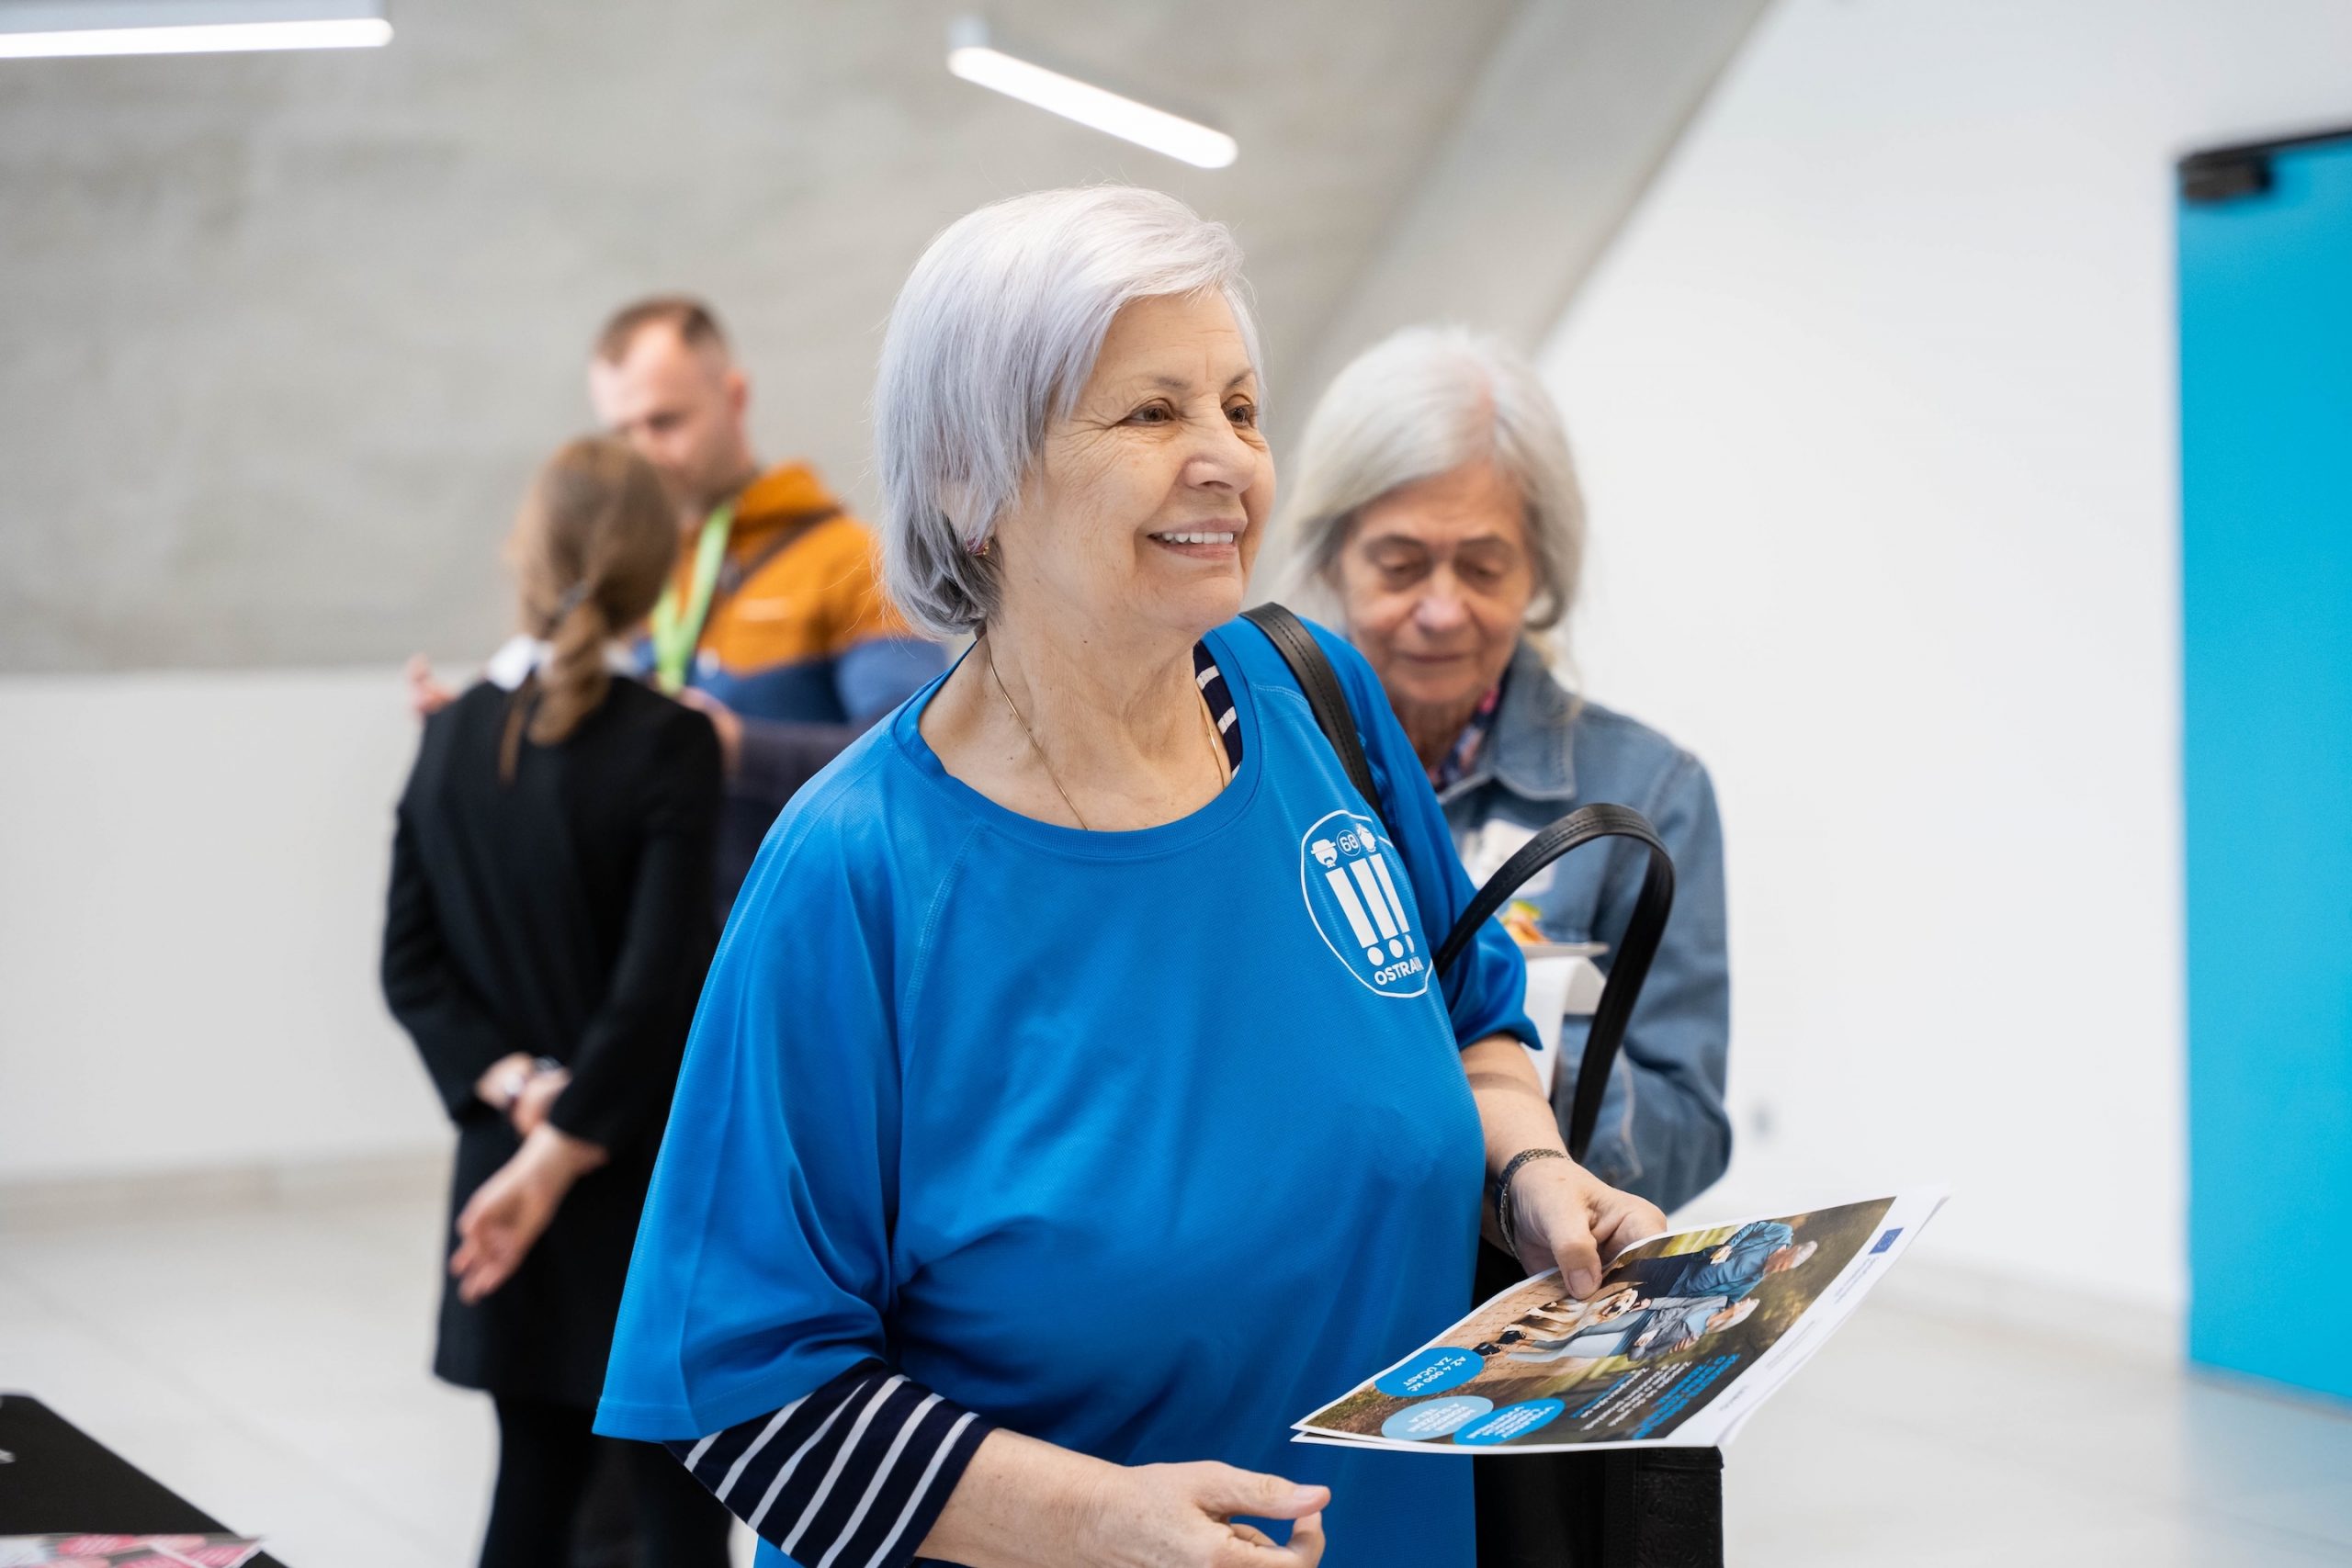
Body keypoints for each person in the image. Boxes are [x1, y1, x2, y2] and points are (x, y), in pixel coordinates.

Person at [593, 186, 1667, 1568]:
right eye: (1152, 413)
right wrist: (1099, 1522)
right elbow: (746, 1390)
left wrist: (1529, 1171)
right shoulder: (854, 870)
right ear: (969, 481)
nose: (1227, 459)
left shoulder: (1309, 698)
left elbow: (1473, 1015)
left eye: (1240, 406)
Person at [1274, 325, 1732, 1213]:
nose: (1442, 609)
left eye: (1484, 568)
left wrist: (1505, 1038)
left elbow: (1687, 1136)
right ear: (1332, 557)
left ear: (1540, 572)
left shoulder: (1648, 794)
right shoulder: (1247, 761)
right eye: (1401, 565)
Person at [381, 437, 732, 1568]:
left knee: (529, 1493)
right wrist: (566, 1132)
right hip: (636, 1182)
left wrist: (520, 1089)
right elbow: (658, 993)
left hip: (505, 1167)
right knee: (679, 1510)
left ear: (521, 555)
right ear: (659, 571)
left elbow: (410, 969)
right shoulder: (672, 742)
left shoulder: (449, 734)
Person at [410, 298, 947, 914]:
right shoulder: (636, 575)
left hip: (808, 933)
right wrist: (492, 729)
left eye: (664, 422)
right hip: (664, 946)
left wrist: (735, 748)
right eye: (622, 432)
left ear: (735, 397)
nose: (643, 454)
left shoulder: (851, 562)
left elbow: (917, 763)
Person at [1616, 1218, 1818, 1303]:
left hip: (1680, 1291)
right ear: (1789, 1252)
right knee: (1637, 1268)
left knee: (1628, 1297)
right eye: (1782, 1265)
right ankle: (1607, 1278)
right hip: (1689, 1266)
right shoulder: (1781, 1234)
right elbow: (1754, 1227)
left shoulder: (1756, 1278)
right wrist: (1729, 1245)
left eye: (1784, 1270)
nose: (1778, 1269)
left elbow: (1729, 1301)